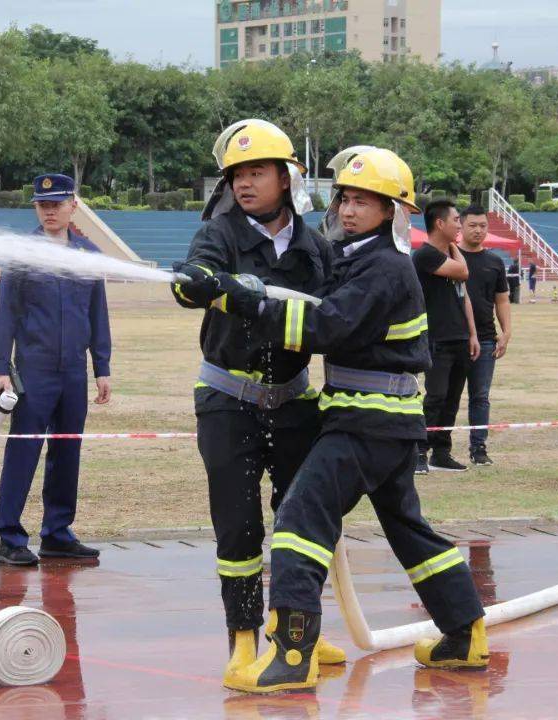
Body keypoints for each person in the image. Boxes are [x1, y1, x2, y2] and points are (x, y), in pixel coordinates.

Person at [212, 146, 487, 694]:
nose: (350, 208)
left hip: (368, 424)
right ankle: (465, 632)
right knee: (409, 530)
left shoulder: (384, 266)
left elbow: (326, 327)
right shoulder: (356, 256)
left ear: (392, 211)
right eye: (345, 198)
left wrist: (247, 305)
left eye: (365, 201)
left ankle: (292, 653)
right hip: (383, 423)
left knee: (299, 520)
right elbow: (315, 288)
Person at [170, 119, 344, 684]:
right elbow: (188, 280)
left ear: (287, 177)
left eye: (257, 171)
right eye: (237, 175)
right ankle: (243, 637)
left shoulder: (317, 247)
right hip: (228, 399)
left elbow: (342, 309)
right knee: (238, 525)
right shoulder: (220, 233)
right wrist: (202, 282)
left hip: (294, 402)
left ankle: (296, 628)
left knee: (302, 520)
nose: (245, 184)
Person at [0, 173, 111, 566]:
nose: (50, 211)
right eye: (42, 205)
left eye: (57, 204)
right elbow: (5, 312)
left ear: (73, 204)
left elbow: (98, 313)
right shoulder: (22, 253)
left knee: (67, 451)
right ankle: (10, 538)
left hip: (74, 371)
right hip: (34, 370)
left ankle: (58, 534)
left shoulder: (87, 253)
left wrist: (102, 367)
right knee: (23, 451)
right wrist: (0, 367)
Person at [414, 199, 479, 473]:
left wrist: (473, 334)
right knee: (435, 396)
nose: (459, 226)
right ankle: (418, 451)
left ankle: (441, 452)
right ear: (439, 223)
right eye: (455, 220)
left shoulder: (449, 256)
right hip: (436, 338)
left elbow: (464, 296)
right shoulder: (425, 255)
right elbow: (464, 272)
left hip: (459, 337)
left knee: (452, 398)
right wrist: (454, 246)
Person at [459, 206, 512, 466]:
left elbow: (502, 300)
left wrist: (506, 332)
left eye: (483, 225)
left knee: (480, 396)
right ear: (461, 225)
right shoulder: (449, 258)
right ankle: (435, 450)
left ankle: (478, 448)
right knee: (442, 397)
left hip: (487, 339)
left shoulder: (494, 262)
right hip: (452, 339)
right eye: (473, 225)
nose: (478, 230)